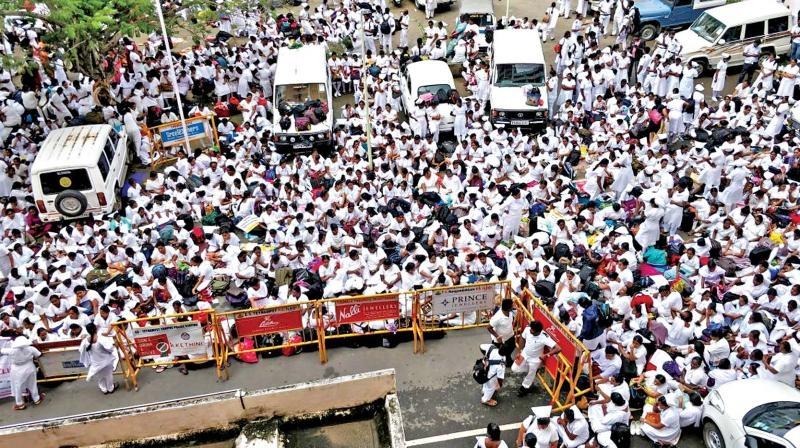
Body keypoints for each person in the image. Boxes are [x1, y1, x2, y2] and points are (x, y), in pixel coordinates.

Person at [513, 320, 560, 397]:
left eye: (532, 330)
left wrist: (546, 355)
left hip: (534, 360)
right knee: (514, 368)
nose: (530, 330)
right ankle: (533, 371)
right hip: (524, 354)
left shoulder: (544, 337)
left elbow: (558, 348)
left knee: (530, 375)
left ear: (538, 331)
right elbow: (522, 337)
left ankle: (524, 388)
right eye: (531, 328)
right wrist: (519, 351)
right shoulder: (528, 329)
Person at [1, 336, 44, 410]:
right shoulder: (31, 348)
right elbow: (40, 355)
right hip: (30, 367)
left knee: (18, 387)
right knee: (32, 384)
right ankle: (36, 399)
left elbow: (1, 350)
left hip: (17, 370)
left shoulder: (11, 350)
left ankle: (20, 404)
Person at [78, 322, 119, 394]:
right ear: (95, 329)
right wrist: (114, 344)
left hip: (95, 363)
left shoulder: (85, 341)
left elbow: (81, 350)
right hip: (106, 361)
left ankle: (104, 389)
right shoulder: (100, 338)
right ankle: (110, 388)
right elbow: (110, 348)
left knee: (100, 377)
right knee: (108, 375)